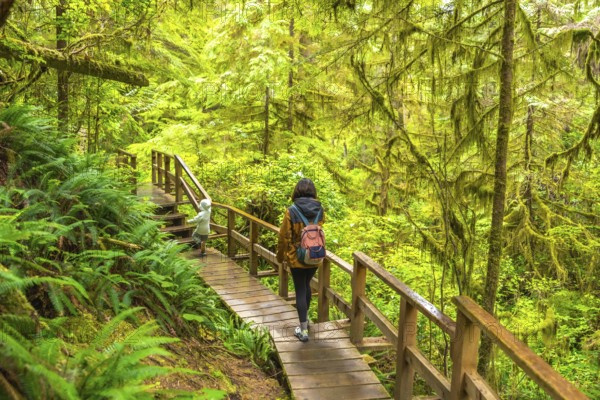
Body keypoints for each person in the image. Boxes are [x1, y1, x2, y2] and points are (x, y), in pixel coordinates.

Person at [276, 178, 324, 342]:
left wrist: (280, 256)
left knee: (300, 290)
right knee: (306, 285)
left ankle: (303, 330)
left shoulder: (292, 210)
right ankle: (305, 321)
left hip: (297, 255)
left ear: (297, 191)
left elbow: (283, 236)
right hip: (315, 255)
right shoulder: (320, 209)